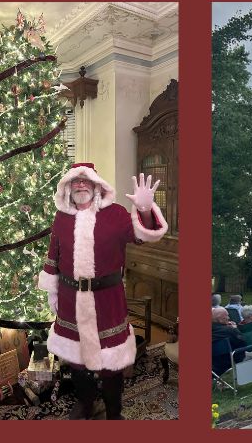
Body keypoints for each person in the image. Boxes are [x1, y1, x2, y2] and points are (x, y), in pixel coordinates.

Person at [38, 165, 168, 419]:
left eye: (87, 182)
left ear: (98, 186)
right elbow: (53, 254)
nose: (81, 186)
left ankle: (113, 411)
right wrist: (51, 290)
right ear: (67, 187)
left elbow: (143, 236)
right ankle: (86, 403)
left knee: (112, 361)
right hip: (69, 298)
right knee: (75, 359)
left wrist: (143, 209)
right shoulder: (61, 217)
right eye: (75, 182)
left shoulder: (116, 214)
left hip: (107, 300)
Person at [212, 307, 252, 387]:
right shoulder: (228, 330)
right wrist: (235, 329)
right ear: (220, 319)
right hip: (235, 359)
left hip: (215, 365)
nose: (228, 318)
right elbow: (243, 343)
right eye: (227, 316)